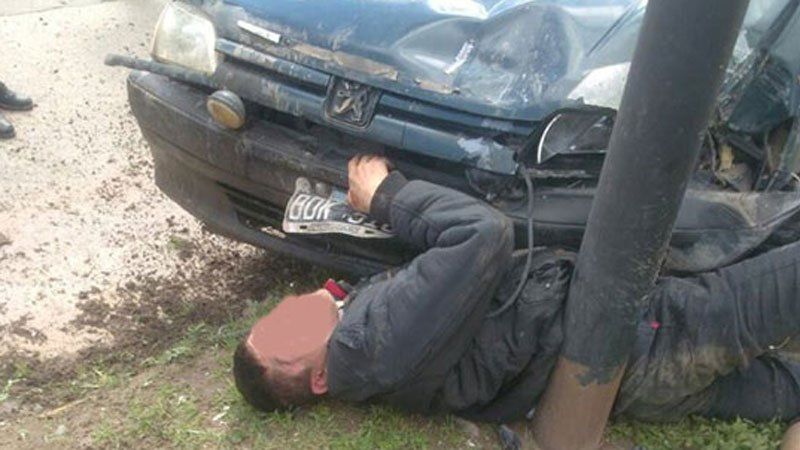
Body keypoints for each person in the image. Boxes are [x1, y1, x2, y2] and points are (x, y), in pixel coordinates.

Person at [234, 155, 800, 427]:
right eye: (285, 338)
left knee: (782, 389)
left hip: (630, 389)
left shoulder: (366, 344)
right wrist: (386, 196)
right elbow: (482, 236)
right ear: (319, 378)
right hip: (645, 341)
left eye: (272, 319)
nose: (287, 313)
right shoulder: (364, 342)